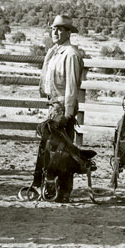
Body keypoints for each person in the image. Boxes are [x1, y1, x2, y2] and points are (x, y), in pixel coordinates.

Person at [35, 14, 84, 203]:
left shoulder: (70, 54)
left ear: (69, 32)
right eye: (54, 28)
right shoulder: (55, 52)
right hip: (53, 106)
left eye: (61, 29)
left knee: (63, 152)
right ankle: (52, 188)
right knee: (51, 150)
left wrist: (69, 113)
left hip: (63, 107)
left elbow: (72, 86)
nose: (55, 32)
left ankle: (64, 191)